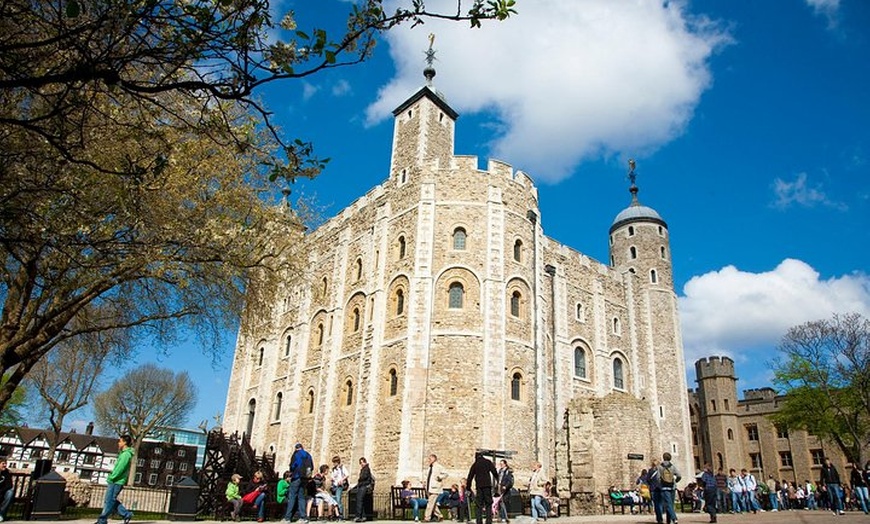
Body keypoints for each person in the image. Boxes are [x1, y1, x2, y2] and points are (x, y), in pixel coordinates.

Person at [96, 434, 135, 524]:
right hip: (116, 480)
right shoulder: (124, 454)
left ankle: (102, 520)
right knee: (111, 500)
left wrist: (112, 477)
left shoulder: (126, 455)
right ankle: (126, 514)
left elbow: (120, 468)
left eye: (120, 441)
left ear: (124, 443)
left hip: (116, 481)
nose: (118, 443)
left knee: (109, 500)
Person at [466, 452, 498, 524]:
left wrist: (468, 487)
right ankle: (489, 521)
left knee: (479, 504)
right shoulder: (488, 462)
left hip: (479, 486)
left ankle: (479, 521)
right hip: (487, 486)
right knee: (488, 503)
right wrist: (497, 480)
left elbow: (470, 477)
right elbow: (494, 471)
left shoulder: (475, 464)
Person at [286, 443, 313, 522]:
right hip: (305, 478)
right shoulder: (308, 455)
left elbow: (293, 465)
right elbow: (312, 466)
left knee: (292, 497)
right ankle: (303, 517)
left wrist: (292, 472)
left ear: (296, 448)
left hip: (297, 476)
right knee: (301, 497)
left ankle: (287, 517)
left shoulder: (296, 454)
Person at [657, 452, 681, 524]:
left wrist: (660, 484)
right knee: (670, 504)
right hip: (672, 487)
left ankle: (674, 518)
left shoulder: (660, 467)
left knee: (668, 504)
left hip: (664, 488)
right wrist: (675, 481)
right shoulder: (672, 466)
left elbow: (658, 478)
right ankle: (668, 521)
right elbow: (679, 475)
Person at [423, 454, 447, 522]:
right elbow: (427, 476)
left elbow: (446, 474)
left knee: (430, 503)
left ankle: (427, 518)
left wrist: (439, 477)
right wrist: (424, 482)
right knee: (432, 504)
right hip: (429, 488)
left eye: (430, 459)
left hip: (435, 488)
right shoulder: (430, 467)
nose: (429, 460)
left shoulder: (439, 467)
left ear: (434, 459)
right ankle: (440, 516)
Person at [353, 457, 374, 522]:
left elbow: (364, 477)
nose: (361, 464)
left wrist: (359, 479)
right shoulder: (365, 469)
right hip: (362, 486)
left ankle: (358, 516)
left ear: (365, 462)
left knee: (359, 500)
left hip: (363, 486)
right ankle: (363, 516)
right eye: (360, 463)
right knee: (361, 501)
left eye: (362, 462)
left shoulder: (366, 469)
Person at [645, 459, 663, 524]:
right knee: (660, 503)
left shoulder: (650, 471)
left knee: (656, 504)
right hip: (660, 488)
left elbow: (647, 480)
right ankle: (660, 518)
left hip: (653, 489)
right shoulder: (661, 470)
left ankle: (659, 518)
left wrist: (651, 484)